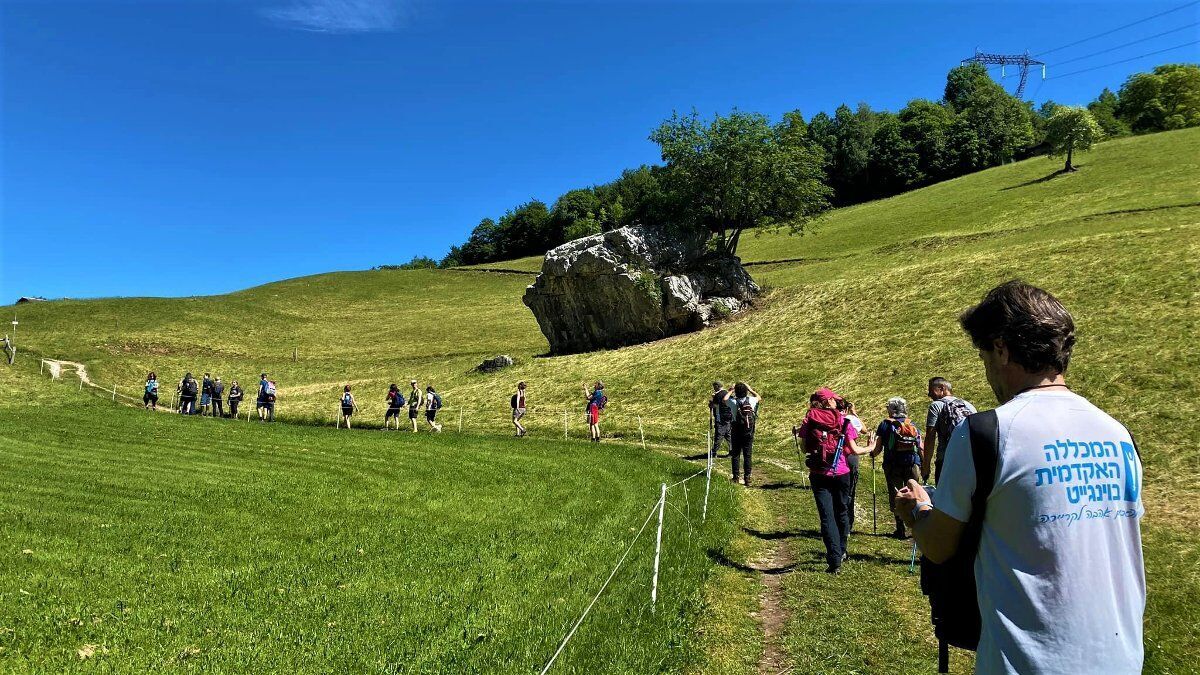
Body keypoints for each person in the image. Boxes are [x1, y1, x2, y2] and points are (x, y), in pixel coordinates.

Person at [895, 280, 1144, 673]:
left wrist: (916, 511)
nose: (987, 371)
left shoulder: (985, 433)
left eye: (983, 357)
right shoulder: (1117, 433)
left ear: (1001, 347)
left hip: (1026, 661)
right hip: (1121, 657)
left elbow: (939, 546)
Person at [795, 387, 871, 573]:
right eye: (833, 399)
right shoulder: (844, 421)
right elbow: (854, 450)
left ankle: (834, 558)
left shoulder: (809, 421)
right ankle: (842, 549)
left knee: (826, 516)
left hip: (819, 473)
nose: (836, 401)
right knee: (842, 510)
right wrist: (872, 446)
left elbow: (805, 448)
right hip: (842, 472)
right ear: (828, 401)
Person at [868, 396, 923, 539]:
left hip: (893, 465)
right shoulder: (912, 424)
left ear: (892, 410)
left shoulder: (885, 425)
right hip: (912, 464)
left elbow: (877, 449)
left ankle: (900, 529)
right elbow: (920, 446)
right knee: (914, 493)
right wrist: (923, 464)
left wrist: (871, 451)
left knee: (896, 494)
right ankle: (916, 526)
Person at [925, 376, 977, 484]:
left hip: (946, 460)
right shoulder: (968, 405)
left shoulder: (936, 406)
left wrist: (926, 465)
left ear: (942, 388)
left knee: (945, 499)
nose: (929, 394)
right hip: (968, 459)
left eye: (931, 390)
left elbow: (930, 437)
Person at [721, 382, 761, 486]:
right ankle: (747, 478)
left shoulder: (733, 401)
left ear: (736, 392)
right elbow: (758, 397)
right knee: (747, 455)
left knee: (736, 454)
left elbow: (724, 399)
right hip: (748, 431)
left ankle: (736, 477)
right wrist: (750, 389)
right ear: (746, 391)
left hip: (736, 430)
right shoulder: (751, 400)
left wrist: (730, 390)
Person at [839, 398, 865, 531]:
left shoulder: (833, 419)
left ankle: (839, 522)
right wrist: (854, 413)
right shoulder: (851, 419)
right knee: (850, 491)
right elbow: (864, 430)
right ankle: (848, 524)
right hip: (852, 456)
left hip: (838, 458)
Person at [708, 382, 734, 459]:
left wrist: (711, 403)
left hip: (720, 418)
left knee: (719, 435)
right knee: (728, 435)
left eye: (714, 386)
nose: (713, 388)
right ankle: (732, 451)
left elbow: (714, 406)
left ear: (717, 386)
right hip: (729, 417)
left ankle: (714, 452)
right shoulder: (727, 393)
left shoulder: (717, 395)